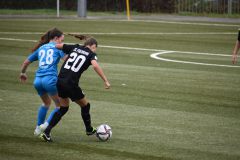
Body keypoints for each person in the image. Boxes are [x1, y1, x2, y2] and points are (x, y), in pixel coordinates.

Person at [40, 36, 110, 142]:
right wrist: (105, 80)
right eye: (95, 48)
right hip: (71, 84)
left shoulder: (75, 47)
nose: (95, 50)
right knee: (86, 105)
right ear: (93, 46)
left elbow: (57, 46)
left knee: (63, 108)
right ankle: (89, 129)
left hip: (60, 81)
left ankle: (46, 132)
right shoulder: (91, 54)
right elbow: (95, 66)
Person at [20, 28, 67, 136]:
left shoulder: (41, 48)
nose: (62, 42)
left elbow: (26, 62)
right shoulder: (57, 47)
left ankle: (38, 127)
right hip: (50, 80)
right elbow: (67, 59)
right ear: (56, 38)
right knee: (60, 106)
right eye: (61, 40)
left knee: (46, 103)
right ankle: (45, 125)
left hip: (38, 81)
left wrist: (23, 73)